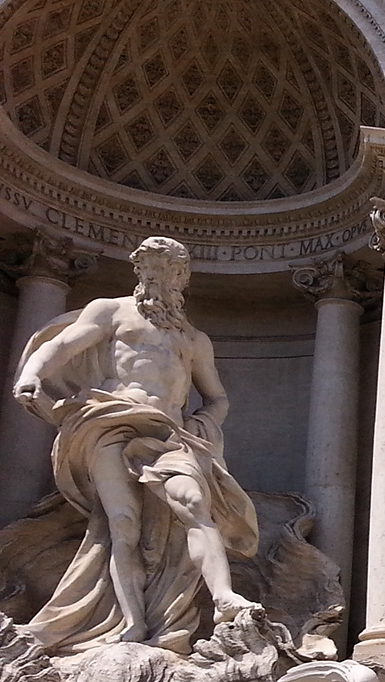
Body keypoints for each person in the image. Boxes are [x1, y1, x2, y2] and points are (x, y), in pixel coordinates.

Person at [10, 235, 260, 653]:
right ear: (138, 271)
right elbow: (62, 344)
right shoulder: (110, 310)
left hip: (167, 432)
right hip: (110, 420)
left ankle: (223, 599)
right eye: (148, 267)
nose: (155, 275)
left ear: (182, 277)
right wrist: (32, 373)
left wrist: (204, 420)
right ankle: (133, 624)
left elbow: (217, 397)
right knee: (122, 523)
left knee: (194, 504)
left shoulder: (194, 340)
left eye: (165, 268)